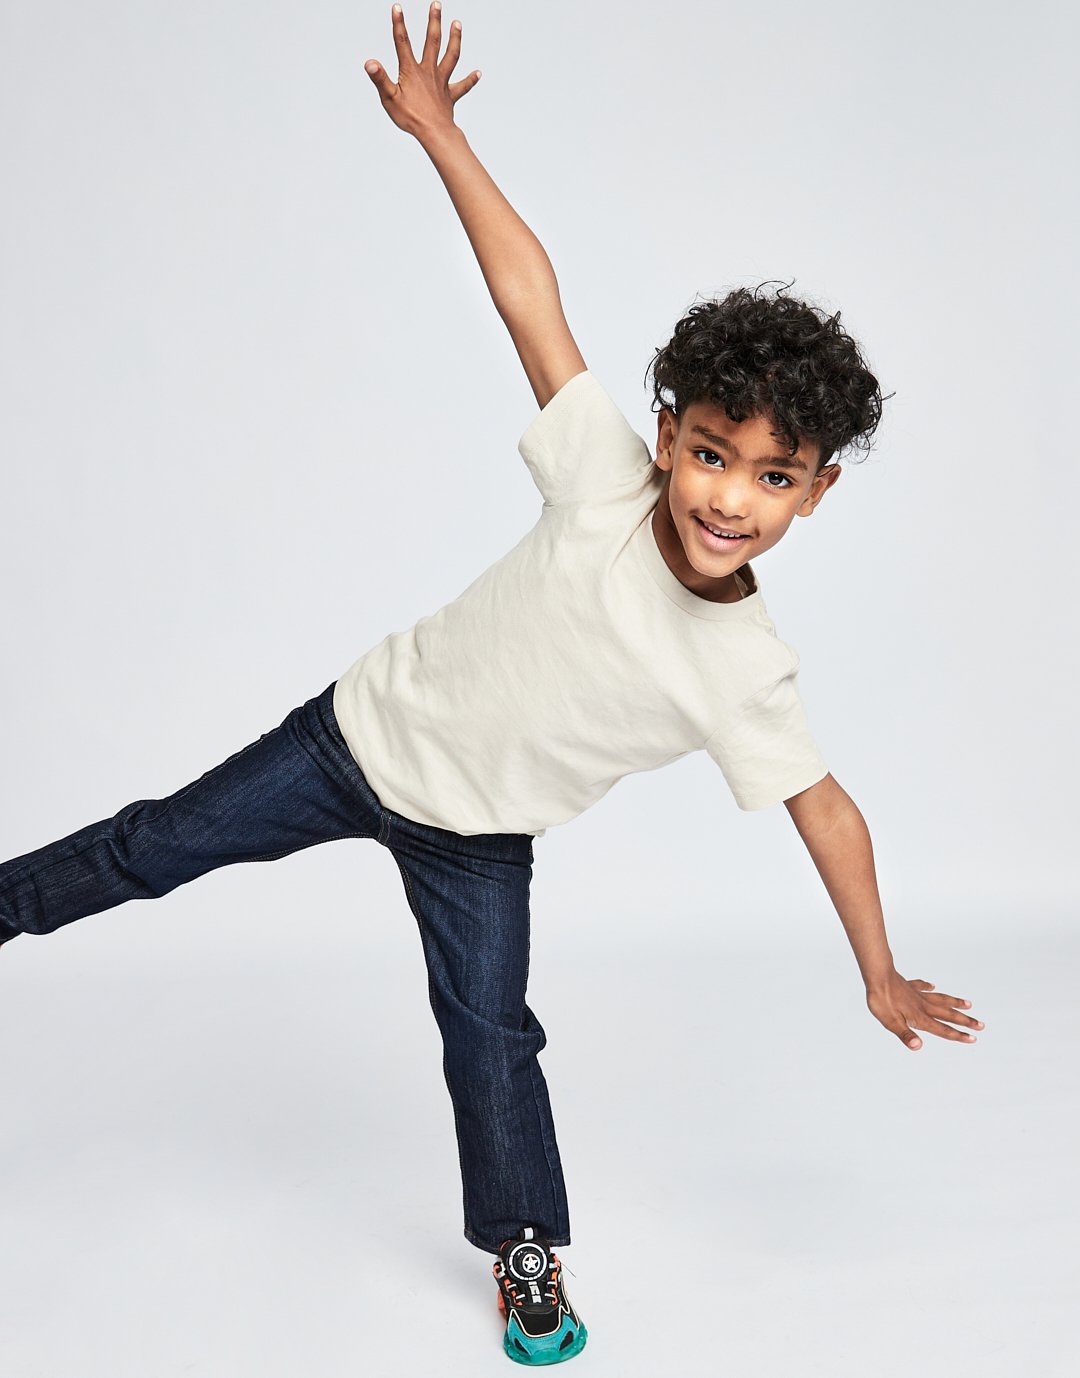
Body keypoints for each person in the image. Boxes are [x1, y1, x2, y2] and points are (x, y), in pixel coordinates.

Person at [0, 3, 986, 1368]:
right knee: (154, 841)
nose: (730, 497)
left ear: (813, 493)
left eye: (773, 476)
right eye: (713, 453)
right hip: (355, 738)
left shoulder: (745, 669)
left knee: (491, 1040)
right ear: (667, 437)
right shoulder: (603, 479)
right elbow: (531, 296)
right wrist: (441, 136)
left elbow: (828, 811)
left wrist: (878, 971)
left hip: (477, 841)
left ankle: (525, 1247)